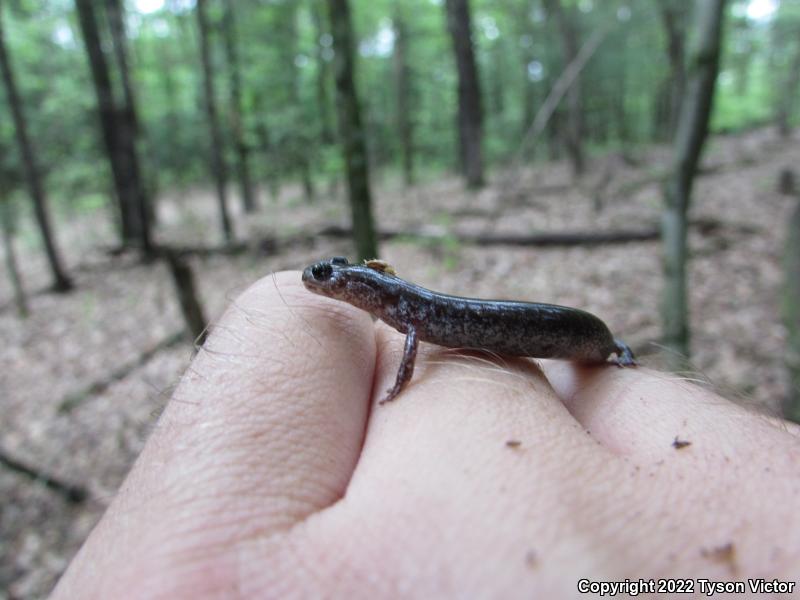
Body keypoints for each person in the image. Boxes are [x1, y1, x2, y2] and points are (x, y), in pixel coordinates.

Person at [52, 272, 800, 598]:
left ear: (363, 290)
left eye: (329, 278)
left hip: (584, 339)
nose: (323, 286)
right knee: (590, 344)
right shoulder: (402, 309)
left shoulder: (407, 316)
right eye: (324, 279)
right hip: (581, 339)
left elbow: (414, 349)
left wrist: (405, 383)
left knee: (593, 343)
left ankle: (610, 354)